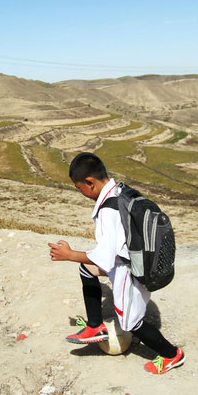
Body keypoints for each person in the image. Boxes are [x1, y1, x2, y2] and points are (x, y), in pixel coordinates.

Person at [48, 152, 185, 374]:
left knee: (131, 323)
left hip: (130, 270)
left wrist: (69, 254)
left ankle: (172, 354)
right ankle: (95, 326)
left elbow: (103, 257)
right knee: (87, 270)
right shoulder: (120, 191)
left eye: (78, 187)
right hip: (132, 258)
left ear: (90, 182)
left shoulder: (107, 211)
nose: (80, 191)